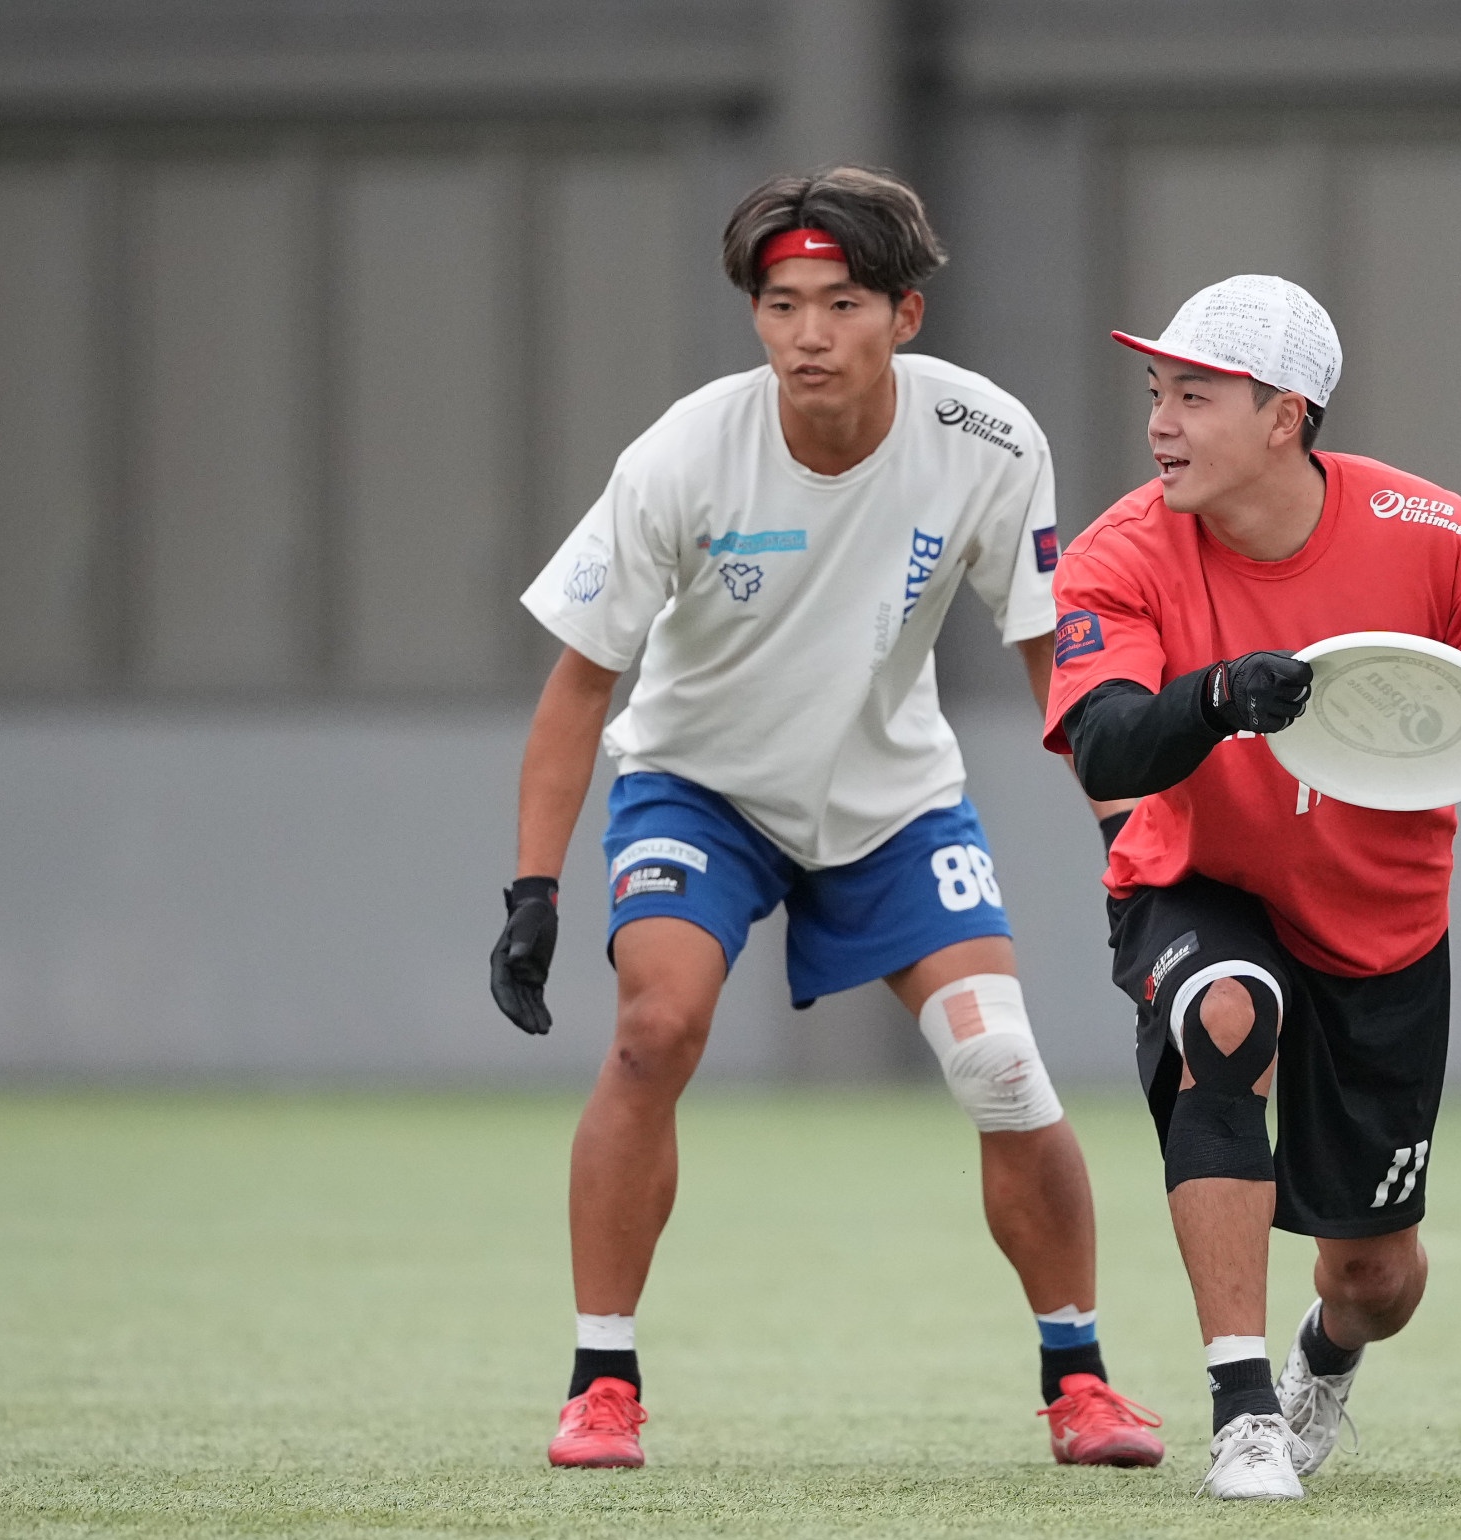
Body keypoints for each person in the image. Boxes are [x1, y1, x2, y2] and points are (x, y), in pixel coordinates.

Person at [489, 165, 1160, 1473]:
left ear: (904, 315)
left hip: (894, 801)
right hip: (698, 790)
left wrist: (1126, 837)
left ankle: (1079, 1381)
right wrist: (533, 891)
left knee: (1000, 1062)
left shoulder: (988, 439)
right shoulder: (681, 457)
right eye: (781, 303)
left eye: (841, 303)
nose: (807, 333)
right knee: (655, 1029)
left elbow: (1050, 656)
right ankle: (601, 1381)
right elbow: (579, 689)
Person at [1043, 275, 1461, 1500]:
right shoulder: (1120, 551)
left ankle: (1323, 1356)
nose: (1160, 424)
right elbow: (1106, 745)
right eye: (1155, 393)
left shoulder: (1435, 535)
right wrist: (1220, 696)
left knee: (1376, 1280)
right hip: (1196, 878)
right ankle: (1243, 1414)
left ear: (1286, 416)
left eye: (1195, 397)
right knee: (1227, 1013)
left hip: (1379, 925)